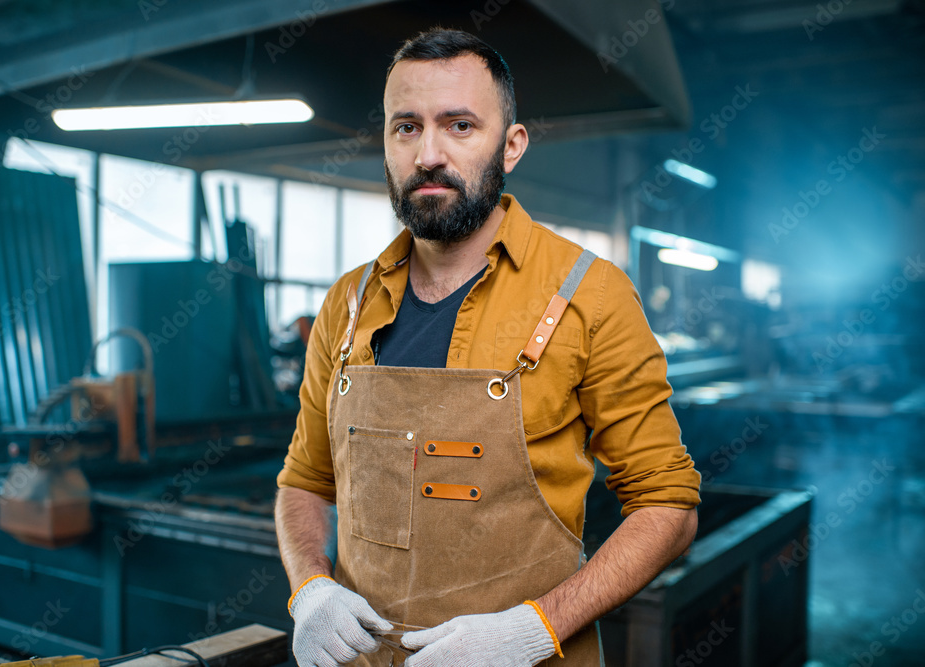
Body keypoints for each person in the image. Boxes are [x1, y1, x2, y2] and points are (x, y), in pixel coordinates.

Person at [274, 27, 700, 667]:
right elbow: (303, 482)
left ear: (512, 144)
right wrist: (310, 588)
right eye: (406, 127)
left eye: (461, 125)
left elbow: (667, 505)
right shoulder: (348, 302)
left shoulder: (591, 294)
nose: (429, 154)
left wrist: (532, 630)